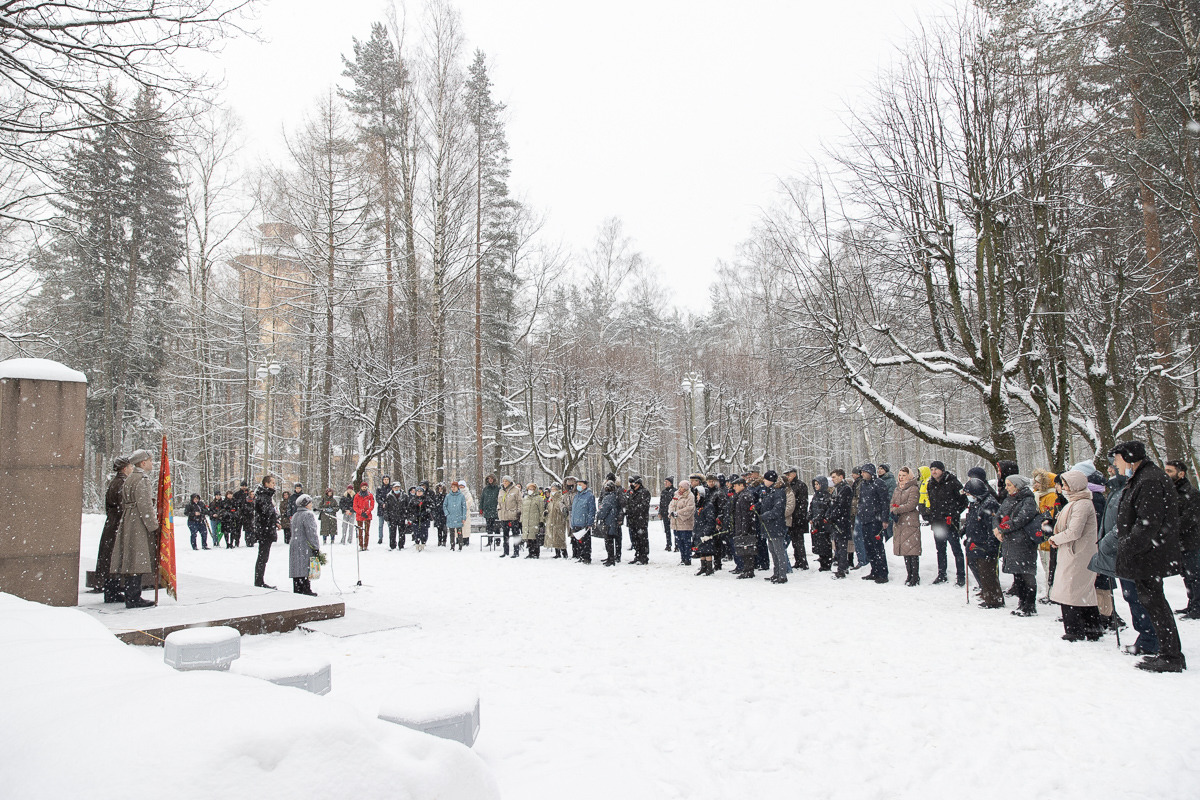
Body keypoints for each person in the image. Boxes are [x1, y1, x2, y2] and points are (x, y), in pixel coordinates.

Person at [1111, 440, 1186, 672]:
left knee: (1155, 603)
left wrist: (1127, 546)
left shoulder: (1150, 479)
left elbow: (1148, 523)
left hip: (1149, 554)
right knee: (1152, 602)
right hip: (1147, 553)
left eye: (1117, 458)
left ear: (1129, 457)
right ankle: (1168, 652)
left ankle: (1171, 656)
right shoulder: (1143, 477)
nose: (1114, 463)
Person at [1046, 470, 1103, 641]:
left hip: (1077, 552)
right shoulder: (1076, 502)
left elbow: (1074, 531)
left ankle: (1075, 629)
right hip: (1074, 551)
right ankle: (1091, 627)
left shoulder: (1082, 504)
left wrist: (1056, 538)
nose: (1062, 488)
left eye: (1065, 484)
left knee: (1071, 590)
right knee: (1081, 590)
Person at [112, 449, 158, 608]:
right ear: (143, 463)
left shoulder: (130, 478)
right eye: (150, 461)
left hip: (129, 520)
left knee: (131, 559)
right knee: (137, 560)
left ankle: (132, 595)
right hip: (137, 521)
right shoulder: (142, 479)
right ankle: (134, 597)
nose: (152, 464)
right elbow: (145, 506)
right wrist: (153, 526)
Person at [995, 475, 1041, 616]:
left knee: (1026, 573)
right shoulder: (1008, 499)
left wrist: (1003, 527)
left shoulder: (1028, 500)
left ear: (1017, 485)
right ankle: (1022, 602)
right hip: (1010, 541)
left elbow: (1022, 519)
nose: (1007, 488)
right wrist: (997, 528)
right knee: (1017, 574)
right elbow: (997, 515)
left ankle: (1029, 605)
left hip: (1024, 542)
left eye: (1010, 485)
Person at [1165, 459, 1200, 619]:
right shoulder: (1170, 492)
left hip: (1192, 542)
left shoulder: (1191, 493)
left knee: (1195, 575)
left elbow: (1189, 519)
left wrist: (1169, 528)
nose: (1166, 474)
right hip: (1179, 543)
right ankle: (1191, 603)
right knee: (1186, 575)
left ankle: (1197, 607)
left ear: (1181, 473)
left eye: (1170, 471)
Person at [94, 457, 132, 603]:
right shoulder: (121, 483)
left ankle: (111, 590)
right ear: (124, 468)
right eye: (129, 467)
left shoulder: (116, 482)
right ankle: (112, 591)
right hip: (116, 524)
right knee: (113, 557)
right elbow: (123, 505)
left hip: (112, 523)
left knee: (110, 557)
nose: (131, 469)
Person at [961, 477, 1003, 608]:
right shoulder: (976, 503)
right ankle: (986, 592)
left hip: (985, 543)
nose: (968, 497)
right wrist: (965, 530)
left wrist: (991, 545)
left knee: (987, 571)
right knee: (977, 567)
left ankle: (994, 599)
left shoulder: (989, 504)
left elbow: (992, 526)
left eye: (969, 494)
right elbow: (972, 519)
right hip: (975, 541)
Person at [925, 460, 967, 586]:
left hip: (950, 522)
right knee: (940, 550)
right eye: (931, 469)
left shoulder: (953, 482)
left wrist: (954, 513)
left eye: (936, 469)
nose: (934, 472)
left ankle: (961, 576)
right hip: (937, 522)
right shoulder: (930, 484)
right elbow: (930, 502)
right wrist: (930, 516)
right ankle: (942, 573)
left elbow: (964, 501)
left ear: (942, 470)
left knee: (956, 549)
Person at [856, 464, 890, 583]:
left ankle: (883, 573)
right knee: (869, 547)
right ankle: (874, 570)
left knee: (878, 547)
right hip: (865, 519)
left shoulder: (879, 483)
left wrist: (885, 519)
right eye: (861, 472)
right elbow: (861, 501)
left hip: (876, 520)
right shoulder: (863, 485)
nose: (862, 474)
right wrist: (860, 513)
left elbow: (885, 502)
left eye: (864, 472)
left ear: (870, 472)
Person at [890, 466, 922, 586]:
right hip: (900, 522)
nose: (901, 478)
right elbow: (892, 502)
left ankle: (915, 576)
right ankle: (909, 574)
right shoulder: (897, 489)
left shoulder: (913, 488)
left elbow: (911, 504)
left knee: (912, 550)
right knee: (904, 550)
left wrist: (897, 509)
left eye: (904, 475)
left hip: (910, 521)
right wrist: (893, 509)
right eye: (900, 475)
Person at [760, 471, 790, 584]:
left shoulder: (778, 492)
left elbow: (777, 510)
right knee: (773, 550)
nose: (763, 481)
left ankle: (782, 575)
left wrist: (765, 516)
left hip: (776, 526)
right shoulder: (769, 491)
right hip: (769, 526)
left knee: (779, 551)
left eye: (765, 479)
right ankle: (776, 572)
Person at [289, 494, 320, 596]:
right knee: (305, 567)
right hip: (304, 545)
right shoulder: (308, 515)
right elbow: (312, 532)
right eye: (310, 502)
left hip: (294, 543)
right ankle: (306, 589)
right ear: (306, 504)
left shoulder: (295, 515)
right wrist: (316, 547)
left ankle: (298, 588)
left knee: (297, 568)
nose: (311, 504)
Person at [253, 475, 281, 589]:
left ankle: (259, 580)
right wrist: (274, 518)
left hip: (266, 528)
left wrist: (275, 521)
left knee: (263, 557)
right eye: (272, 483)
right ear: (266, 484)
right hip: (264, 530)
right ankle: (259, 581)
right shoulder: (263, 496)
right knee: (262, 557)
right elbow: (267, 512)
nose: (274, 485)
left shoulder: (266, 496)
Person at [828, 469, 854, 578]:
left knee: (842, 546)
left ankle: (842, 569)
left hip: (842, 521)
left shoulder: (845, 489)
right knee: (838, 546)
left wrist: (832, 516)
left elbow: (841, 506)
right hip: (837, 521)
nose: (832, 479)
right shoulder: (837, 489)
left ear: (841, 477)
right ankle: (842, 567)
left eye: (834, 477)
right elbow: (833, 504)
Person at [731, 476, 757, 579]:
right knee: (744, 549)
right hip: (741, 526)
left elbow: (746, 515)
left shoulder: (745, 496)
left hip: (745, 527)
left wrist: (744, 530)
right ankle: (747, 569)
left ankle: (748, 570)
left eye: (735, 486)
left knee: (747, 549)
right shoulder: (741, 495)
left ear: (742, 485)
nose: (734, 488)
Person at [784, 467, 809, 569]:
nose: (787, 477)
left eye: (788, 475)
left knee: (799, 542)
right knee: (795, 542)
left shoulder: (800, 485)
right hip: (792, 518)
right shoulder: (789, 486)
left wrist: (799, 516)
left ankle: (802, 562)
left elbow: (803, 503)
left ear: (794, 474)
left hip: (798, 518)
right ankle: (798, 561)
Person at [693, 475, 719, 576]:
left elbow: (710, 520)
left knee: (707, 550)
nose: (697, 497)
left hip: (705, 532)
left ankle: (709, 567)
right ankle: (703, 567)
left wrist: (707, 532)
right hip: (699, 530)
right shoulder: (699, 506)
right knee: (701, 550)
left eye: (699, 495)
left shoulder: (708, 506)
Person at [625, 476, 652, 565]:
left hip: (640, 520)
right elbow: (626, 503)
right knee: (634, 539)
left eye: (633, 483)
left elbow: (644, 505)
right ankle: (637, 555)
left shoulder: (644, 492)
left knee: (642, 539)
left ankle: (644, 556)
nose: (631, 485)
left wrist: (633, 509)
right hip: (631, 519)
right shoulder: (630, 492)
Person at [669, 479, 696, 566]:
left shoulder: (690, 496)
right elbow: (671, 504)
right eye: (679, 486)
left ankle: (687, 558)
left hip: (685, 524)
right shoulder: (676, 494)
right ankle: (682, 558)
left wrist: (678, 513)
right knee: (679, 542)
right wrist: (672, 512)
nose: (680, 488)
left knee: (686, 542)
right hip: (676, 523)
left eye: (682, 487)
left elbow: (689, 509)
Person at [809, 476, 834, 572]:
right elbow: (811, 507)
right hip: (816, 524)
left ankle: (826, 564)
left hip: (824, 524)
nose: (816, 486)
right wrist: (810, 517)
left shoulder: (827, 496)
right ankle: (822, 561)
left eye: (817, 484)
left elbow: (825, 509)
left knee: (825, 545)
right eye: (814, 484)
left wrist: (818, 518)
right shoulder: (816, 496)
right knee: (818, 544)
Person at [597, 480, 623, 566]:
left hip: (609, 522)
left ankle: (610, 559)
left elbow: (603, 510)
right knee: (613, 541)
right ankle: (613, 557)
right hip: (614, 521)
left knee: (608, 541)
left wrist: (599, 515)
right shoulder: (615, 496)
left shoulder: (608, 498)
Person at [570, 478, 596, 563]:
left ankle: (586, 557)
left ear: (585, 485)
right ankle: (580, 556)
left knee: (586, 542)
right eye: (577, 485)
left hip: (584, 523)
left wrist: (590, 522)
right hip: (576, 522)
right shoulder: (577, 496)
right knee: (578, 542)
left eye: (580, 485)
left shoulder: (589, 496)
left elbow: (592, 510)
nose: (578, 486)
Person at [497, 476, 521, 558]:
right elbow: (499, 502)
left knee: (515, 534)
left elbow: (520, 502)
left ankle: (516, 551)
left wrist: (518, 512)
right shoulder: (501, 491)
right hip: (504, 516)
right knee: (505, 535)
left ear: (510, 482)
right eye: (503, 481)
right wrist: (499, 509)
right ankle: (505, 551)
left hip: (513, 515)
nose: (504, 482)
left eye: (506, 481)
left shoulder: (516, 490)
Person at [543, 483, 568, 558]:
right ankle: (557, 553)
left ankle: (564, 553)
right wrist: (546, 512)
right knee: (554, 537)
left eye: (554, 489)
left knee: (560, 537)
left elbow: (563, 509)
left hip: (559, 520)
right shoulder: (551, 499)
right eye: (552, 489)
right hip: (551, 520)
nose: (553, 491)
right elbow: (549, 508)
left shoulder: (561, 498)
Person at [521, 482, 545, 558]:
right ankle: (530, 552)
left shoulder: (539, 498)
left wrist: (541, 521)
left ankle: (536, 553)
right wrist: (521, 520)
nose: (530, 490)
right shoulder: (525, 498)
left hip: (535, 520)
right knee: (528, 538)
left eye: (532, 489)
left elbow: (542, 511)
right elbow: (523, 510)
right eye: (529, 489)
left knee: (535, 538)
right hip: (526, 521)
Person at [444, 481, 469, 550]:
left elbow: (464, 507)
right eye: (452, 487)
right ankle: (452, 546)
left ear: (457, 487)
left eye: (454, 487)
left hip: (459, 517)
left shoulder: (461, 496)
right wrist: (447, 514)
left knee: (459, 533)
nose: (453, 488)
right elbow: (444, 506)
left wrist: (464, 517)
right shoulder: (448, 496)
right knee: (451, 533)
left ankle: (460, 546)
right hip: (451, 517)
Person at [480, 474, 501, 550]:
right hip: (487, 511)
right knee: (489, 528)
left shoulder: (498, 488)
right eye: (489, 479)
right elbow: (482, 499)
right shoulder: (485, 489)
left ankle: (498, 541)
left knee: (497, 527)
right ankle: (489, 541)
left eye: (492, 479)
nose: (490, 480)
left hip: (496, 511)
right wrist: (481, 508)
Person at [352, 481, 375, 551]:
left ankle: (366, 545)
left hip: (367, 515)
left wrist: (367, 512)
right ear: (360, 487)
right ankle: (361, 545)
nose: (364, 488)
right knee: (360, 531)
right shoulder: (357, 496)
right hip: (359, 515)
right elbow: (354, 506)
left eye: (365, 487)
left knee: (367, 531)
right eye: (363, 487)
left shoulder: (370, 495)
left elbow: (372, 505)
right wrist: (361, 512)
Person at [878, 463, 897, 542]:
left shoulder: (891, 480)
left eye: (882, 469)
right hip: (881, 511)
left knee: (890, 534)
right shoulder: (878, 480)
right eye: (879, 469)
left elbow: (891, 495)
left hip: (888, 509)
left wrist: (882, 500)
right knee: (884, 535)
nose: (879, 470)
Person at [384, 485, 406, 549]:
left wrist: (406, 515)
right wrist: (386, 515)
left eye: (398, 487)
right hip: (392, 516)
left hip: (401, 516)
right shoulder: (389, 496)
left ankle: (401, 545)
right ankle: (392, 545)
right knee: (392, 532)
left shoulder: (404, 496)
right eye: (395, 487)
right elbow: (386, 507)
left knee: (402, 532)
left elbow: (407, 506)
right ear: (392, 488)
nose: (396, 489)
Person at [234, 480, 254, 547]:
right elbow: (235, 504)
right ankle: (237, 542)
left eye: (245, 486)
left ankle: (249, 542)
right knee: (237, 530)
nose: (244, 487)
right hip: (239, 514)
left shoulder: (249, 494)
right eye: (243, 486)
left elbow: (252, 502)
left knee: (248, 530)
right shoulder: (237, 494)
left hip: (248, 515)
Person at [411, 485, 431, 551]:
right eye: (418, 491)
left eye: (420, 491)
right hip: (416, 519)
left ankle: (423, 543)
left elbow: (432, 506)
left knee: (424, 532)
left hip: (424, 518)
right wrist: (414, 514)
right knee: (416, 531)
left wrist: (427, 511)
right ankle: (417, 543)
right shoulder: (413, 499)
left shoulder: (427, 499)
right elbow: (409, 508)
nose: (419, 493)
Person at [375, 476, 392, 545]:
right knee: (380, 525)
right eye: (384, 479)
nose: (386, 481)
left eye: (387, 479)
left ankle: (391, 537)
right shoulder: (379, 489)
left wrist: (387, 504)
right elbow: (377, 498)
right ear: (382, 480)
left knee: (389, 524)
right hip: (381, 509)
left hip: (389, 509)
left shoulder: (391, 488)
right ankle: (380, 538)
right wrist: (382, 503)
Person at [660, 476, 675, 551]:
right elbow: (661, 503)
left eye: (667, 482)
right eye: (664, 482)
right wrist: (660, 512)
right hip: (665, 513)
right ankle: (668, 544)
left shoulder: (675, 491)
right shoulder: (663, 492)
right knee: (667, 530)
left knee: (675, 530)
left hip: (672, 514)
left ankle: (677, 545)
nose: (665, 483)